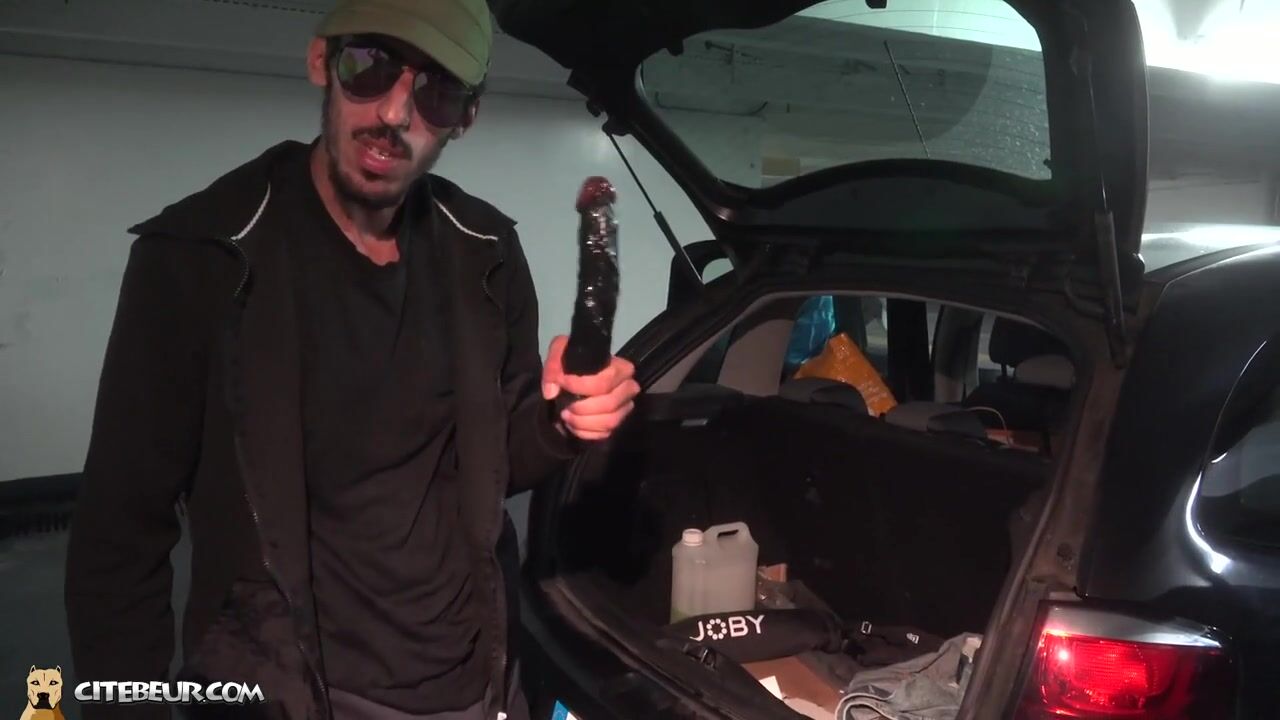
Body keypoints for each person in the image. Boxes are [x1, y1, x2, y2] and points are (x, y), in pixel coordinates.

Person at [63, 1, 640, 718]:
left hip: (480, 684)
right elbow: (120, 537)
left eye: (436, 91)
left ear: (466, 116)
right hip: (288, 692)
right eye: (371, 66)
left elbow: (496, 463)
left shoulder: (486, 252)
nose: (395, 113)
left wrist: (561, 423)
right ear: (322, 61)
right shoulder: (201, 256)